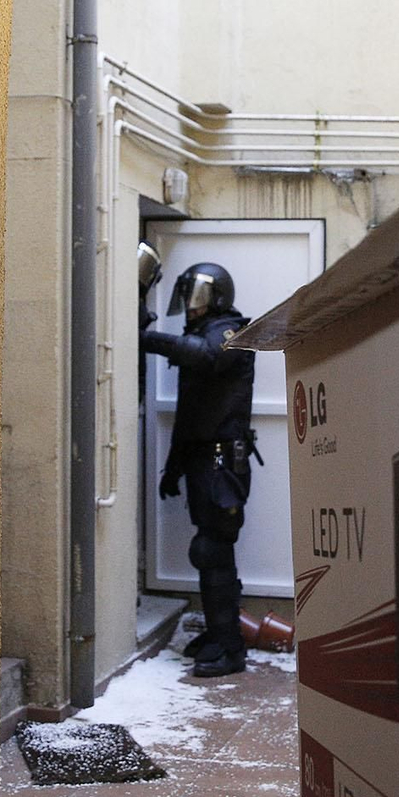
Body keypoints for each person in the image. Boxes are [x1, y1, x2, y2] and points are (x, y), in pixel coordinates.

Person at [142, 260, 258, 678]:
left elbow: (208, 356)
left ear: (217, 297)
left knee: (213, 550)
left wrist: (146, 339)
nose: (191, 306)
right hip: (202, 458)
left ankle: (230, 648)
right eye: (188, 296)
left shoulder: (233, 332)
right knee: (208, 551)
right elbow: (191, 414)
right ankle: (218, 634)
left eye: (198, 297)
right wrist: (174, 467)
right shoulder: (198, 334)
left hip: (223, 460)